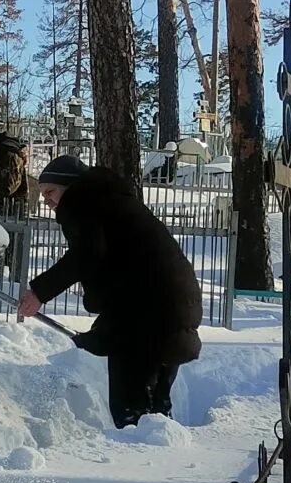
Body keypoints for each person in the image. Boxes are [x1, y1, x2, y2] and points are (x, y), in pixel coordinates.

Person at [15, 153, 201, 426]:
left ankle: (139, 461)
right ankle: (162, 452)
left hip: (147, 315)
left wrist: (40, 292)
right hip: (175, 307)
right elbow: (118, 269)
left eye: (51, 191)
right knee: (157, 412)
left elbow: (86, 256)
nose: (47, 200)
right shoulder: (112, 202)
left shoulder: (84, 203)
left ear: (71, 186)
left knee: (131, 411)